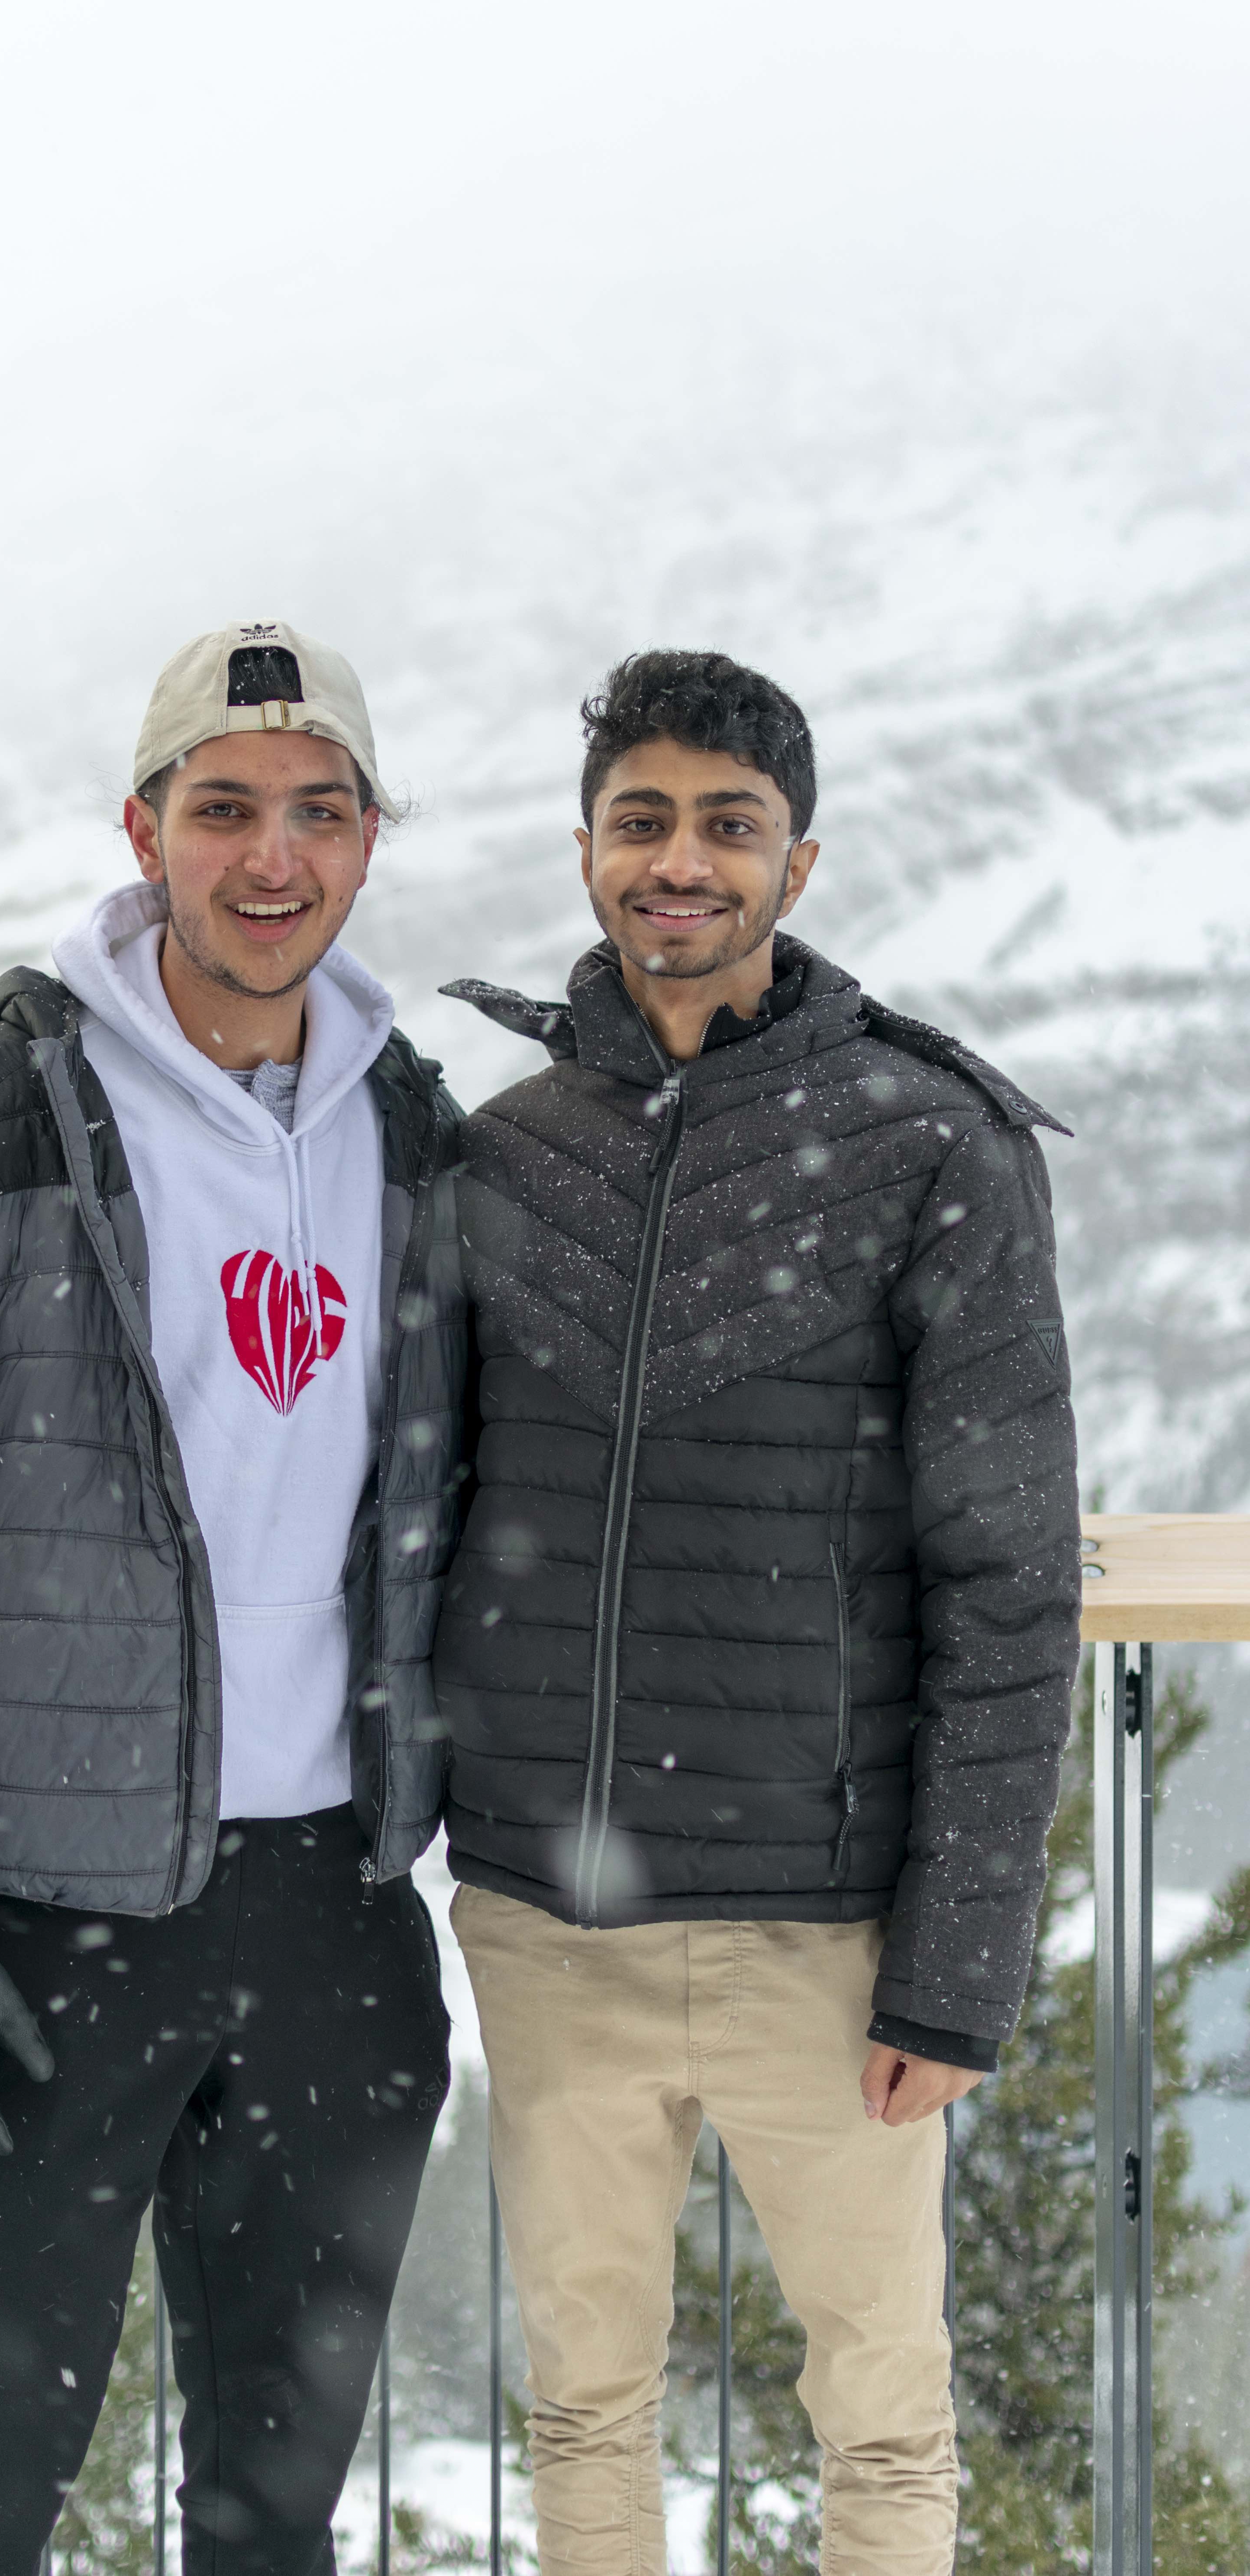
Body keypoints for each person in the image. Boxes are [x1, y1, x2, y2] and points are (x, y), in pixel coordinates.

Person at [0, 621, 467, 2576]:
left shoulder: (412, 1130)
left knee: (270, 2517)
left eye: (317, 813)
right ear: (142, 829)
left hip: (331, 1913)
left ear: (365, 840)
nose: (270, 857)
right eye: (224, 809)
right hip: (39, 1929)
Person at [434, 649, 1081, 2576]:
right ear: (586, 854)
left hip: (829, 1926)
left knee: (880, 2423)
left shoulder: (926, 1151)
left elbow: (1007, 1580)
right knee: (582, 2410)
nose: (680, 861)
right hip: (552, 1917)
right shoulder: (505, 1152)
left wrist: (954, 1968)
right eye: (643, 822)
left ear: (798, 866)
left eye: (728, 824)